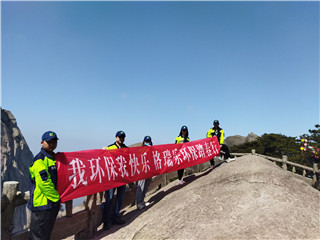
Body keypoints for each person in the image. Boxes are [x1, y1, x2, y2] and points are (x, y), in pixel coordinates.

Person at [28, 131, 60, 240]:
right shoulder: (39, 160)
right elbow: (44, 183)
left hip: (51, 204)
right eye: (49, 142)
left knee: (45, 234)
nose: (52, 144)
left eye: (54, 142)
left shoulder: (54, 158)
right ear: (42, 142)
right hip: (42, 205)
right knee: (38, 236)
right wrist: (57, 199)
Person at [102, 130, 127, 230]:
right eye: (119, 137)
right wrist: (103, 150)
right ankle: (107, 221)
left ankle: (116, 216)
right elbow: (102, 155)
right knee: (109, 199)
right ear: (116, 138)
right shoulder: (110, 147)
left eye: (123, 137)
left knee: (120, 198)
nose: (121, 139)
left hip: (122, 178)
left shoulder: (126, 148)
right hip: (112, 178)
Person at [136, 136, 153, 210]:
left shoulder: (152, 150)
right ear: (144, 142)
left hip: (149, 170)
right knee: (141, 187)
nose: (148, 143)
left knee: (146, 186)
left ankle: (142, 201)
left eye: (149, 141)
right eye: (146, 141)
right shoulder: (140, 150)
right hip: (142, 170)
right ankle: (139, 203)